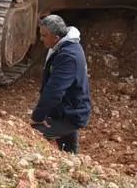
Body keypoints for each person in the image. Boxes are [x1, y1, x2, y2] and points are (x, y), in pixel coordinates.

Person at [29, 14, 91, 153]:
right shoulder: (65, 47)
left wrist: (37, 117)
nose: (41, 39)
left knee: (32, 135)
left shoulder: (68, 57)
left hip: (69, 114)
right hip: (67, 110)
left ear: (56, 37)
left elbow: (54, 91)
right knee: (68, 150)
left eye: (44, 36)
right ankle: (72, 166)